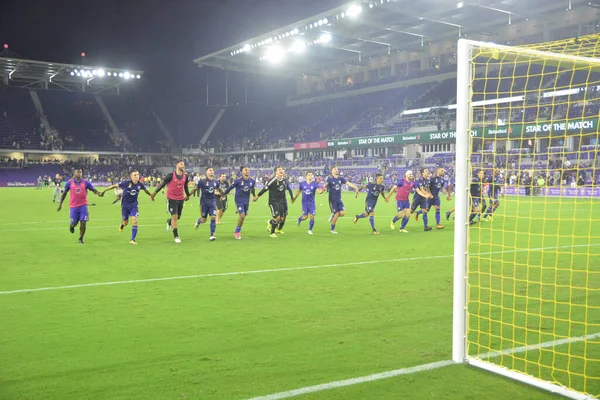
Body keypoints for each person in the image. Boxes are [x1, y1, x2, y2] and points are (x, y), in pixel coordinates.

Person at [101, 170, 153, 244]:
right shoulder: (125, 183)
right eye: (135, 175)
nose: (137, 176)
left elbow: (145, 190)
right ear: (131, 176)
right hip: (125, 205)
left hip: (134, 205)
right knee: (125, 223)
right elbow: (114, 186)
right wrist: (104, 190)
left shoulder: (140, 184)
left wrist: (151, 195)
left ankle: (132, 239)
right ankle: (122, 223)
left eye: (138, 174)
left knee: (135, 220)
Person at [56, 168, 103, 244]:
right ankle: (72, 225)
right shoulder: (69, 183)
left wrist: (98, 193)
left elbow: (93, 189)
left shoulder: (85, 182)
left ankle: (81, 238)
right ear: (74, 173)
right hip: (73, 206)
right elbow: (64, 193)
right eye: (78, 172)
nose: (79, 173)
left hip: (83, 206)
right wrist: (60, 204)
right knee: (74, 223)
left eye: (80, 172)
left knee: (83, 222)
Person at [150, 160, 190, 243]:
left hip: (180, 199)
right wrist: (154, 193)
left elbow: (185, 186)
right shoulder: (171, 175)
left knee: (178, 217)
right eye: (181, 164)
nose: (183, 166)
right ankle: (176, 236)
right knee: (175, 217)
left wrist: (188, 195)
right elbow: (162, 184)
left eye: (184, 164)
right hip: (172, 199)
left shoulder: (185, 176)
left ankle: (169, 222)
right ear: (177, 165)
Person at [253, 166, 294, 238]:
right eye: (279, 170)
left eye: (282, 169)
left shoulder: (284, 180)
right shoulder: (273, 180)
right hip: (273, 201)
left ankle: (270, 222)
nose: (281, 171)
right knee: (277, 218)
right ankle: (272, 233)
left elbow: (288, 189)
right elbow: (265, 188)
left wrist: (291, 197)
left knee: (281, 219)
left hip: (281, 201)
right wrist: (257, 196)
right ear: (276, 172)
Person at [222, 166, 256, 239]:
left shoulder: (252, 181)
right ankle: (237, 232)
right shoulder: (238, 181)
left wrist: (254, 196)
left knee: (243, 216)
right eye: (246, 170)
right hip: (239, 200)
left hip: (246, 201)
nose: (247, 171)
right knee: (242, 216)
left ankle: (238, 230)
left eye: (248, 170)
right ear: (242, 172)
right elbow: (230, 188)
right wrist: (223, 195)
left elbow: (252, 189)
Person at [322, 166, 359, 234]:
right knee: (337, 213)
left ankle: (332, 215)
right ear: (332, 171)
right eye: (335, 169)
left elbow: (348, 183)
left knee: (342, 213)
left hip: (339, 199)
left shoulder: (340, 178)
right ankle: (332, 229)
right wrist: (322, 187)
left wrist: (356, 187)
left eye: (337, 169)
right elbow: (325, 184)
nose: (336, 170)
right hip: (332, 200)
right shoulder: (330, 179)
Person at [188, 167, 220, 241]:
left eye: (212, 170)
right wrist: (188, 196)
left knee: (213, 217)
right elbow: (195, 188)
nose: (212, 171)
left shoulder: (216, 182)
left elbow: (219, 189)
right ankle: (198, 221)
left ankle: (212, 234)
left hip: (212, 202)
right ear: (206, 172)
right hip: (204, 203)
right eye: (210, 170)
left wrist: (222, 194)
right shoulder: (202, 181)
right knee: (203, 220)